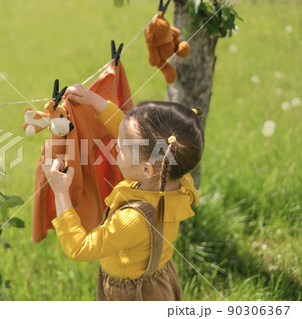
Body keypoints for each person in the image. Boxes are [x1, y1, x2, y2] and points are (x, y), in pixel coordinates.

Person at [41, 83, 205, 301]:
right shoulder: (177, 176)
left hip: (132, 295)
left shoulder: (134, 220)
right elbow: (140, 141)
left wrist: (60, 191)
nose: (116, 145)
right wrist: (93, 100)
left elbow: (81, 249)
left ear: (147, 168)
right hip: (160, 276)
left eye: (122, 146)